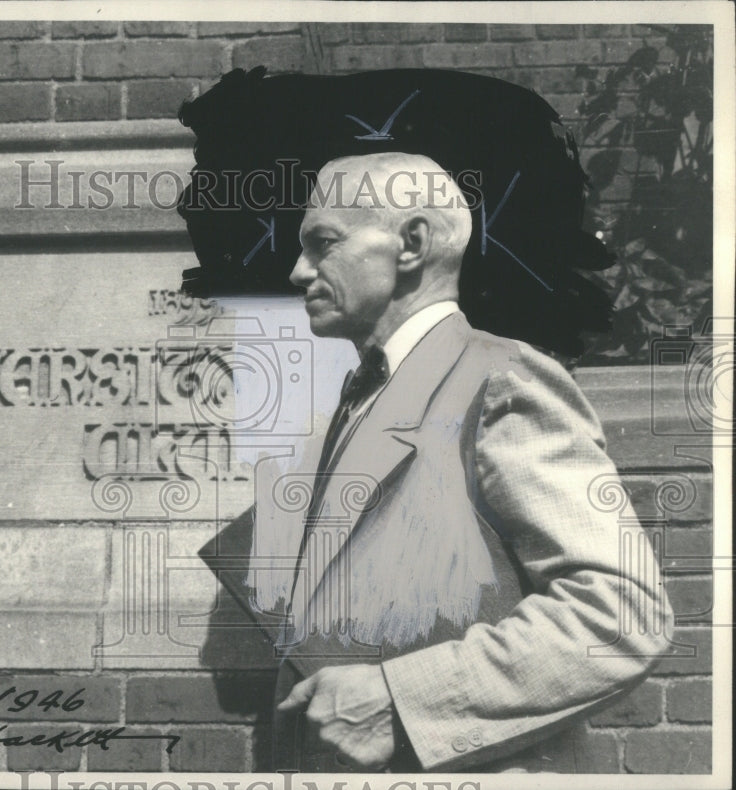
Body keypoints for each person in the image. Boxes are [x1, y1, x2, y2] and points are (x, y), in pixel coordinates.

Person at [242, 151, 674, 772]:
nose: (296, 271)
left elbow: (619, 613)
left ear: (411, 242)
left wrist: (399, 698)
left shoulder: (501, 379)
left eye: (322, 243)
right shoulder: (363, 395)